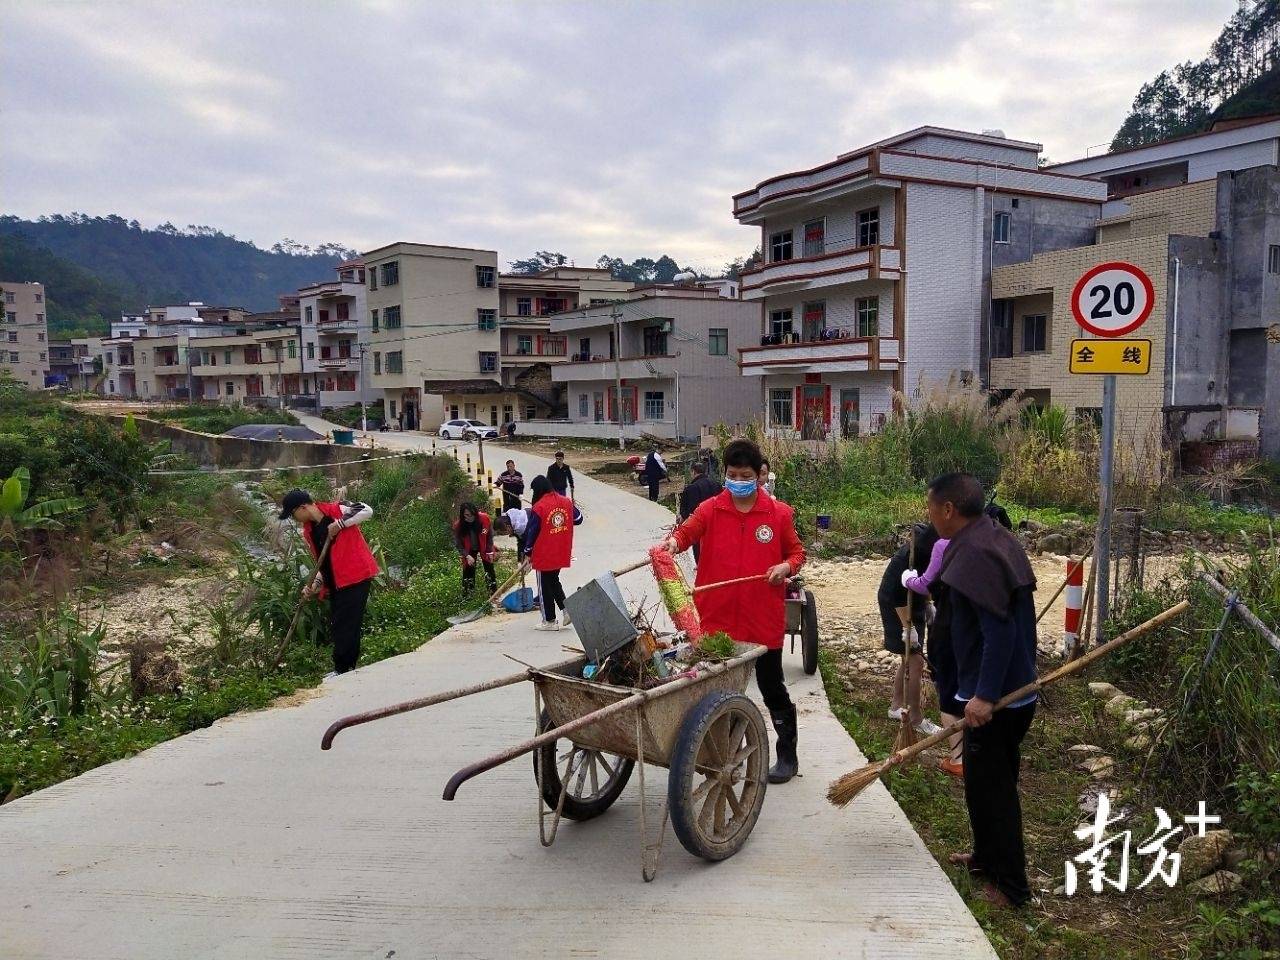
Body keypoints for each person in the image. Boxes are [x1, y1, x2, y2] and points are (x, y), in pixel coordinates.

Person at [662, 438, 805, 784]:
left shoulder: (778, 514)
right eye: (732, 473)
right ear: (724, 474)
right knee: (719, 691)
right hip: (719, 619)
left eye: (744, 475)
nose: (737, 480)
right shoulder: (711, 509)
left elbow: (797, 554)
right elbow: (686, 533)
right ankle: (726, 754)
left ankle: (787, 754)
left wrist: (785, 568)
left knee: (771, 685)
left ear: (758, 477)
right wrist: (670, 545)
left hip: (762, 617)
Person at [927, 472, 1039, 909]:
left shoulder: (977, 555)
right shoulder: (992, 537)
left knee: (996, 791)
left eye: (931, 508)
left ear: (949, 510)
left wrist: (985, 696)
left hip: (1000, 700)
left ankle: (1012, 886)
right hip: (1004, 689)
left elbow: (1001, 631)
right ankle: (986, 857)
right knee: (981, 782)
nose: (930, 515)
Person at [279, 488, 379, 676]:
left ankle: (343, 670)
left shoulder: (337, 510)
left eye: (293, 514)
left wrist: (339, 524)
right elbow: (323, 563)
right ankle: (344, 669)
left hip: (355, 577)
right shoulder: (310, 531)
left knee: (345, 625)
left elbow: (367, 510)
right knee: (340, 625)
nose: (294, 519)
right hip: (336, 583)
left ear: (303, 507)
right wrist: (315, 585)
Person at [901, 528, 962, 776]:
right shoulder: (988, 540)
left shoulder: (943, 545)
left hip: (951, 620)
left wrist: (909, 581)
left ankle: (958, 759)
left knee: (949, 691)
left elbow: (926, 582)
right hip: (977, 624)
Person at [876, 524, 944, 737]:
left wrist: (928, 602)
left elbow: (927, 579)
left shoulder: (935, 546)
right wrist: (909, 627)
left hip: (914, 599)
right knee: (915, 660)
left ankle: (896, 707)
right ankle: (915, 717)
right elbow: (897, 595)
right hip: (896, 602)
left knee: (910, 659)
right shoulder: (916, 555)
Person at [525, 475, 580, 630]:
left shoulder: (539, 507)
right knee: (552, 580)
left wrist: (527, 551)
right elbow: (578, 519)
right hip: (562, 549)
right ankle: (561, 613)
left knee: (546, 583)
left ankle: (550, 620)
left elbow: (532, 532)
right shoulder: (565, 501)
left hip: (545, 552)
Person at [677, 461, 721, 563]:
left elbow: (685, 511)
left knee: (698, 548)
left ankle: (700, 565)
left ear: (693, 472)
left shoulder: (690, 488)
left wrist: (681, 524)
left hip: (698, 525)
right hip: (716, 523)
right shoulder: (717, 485)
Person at [453, 502, 498, 596]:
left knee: (489, 569)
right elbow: (458, 544)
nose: (470, 517)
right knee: (468, 571)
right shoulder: (458, 526)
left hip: (484, 546)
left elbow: (489, 536)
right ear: (463, 515)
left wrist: (490, 551)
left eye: (472, 514)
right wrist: (467, 556)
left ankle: (493, 592)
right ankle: (468, 594)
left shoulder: (484, 519)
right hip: (469, 549)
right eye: (467, 515)